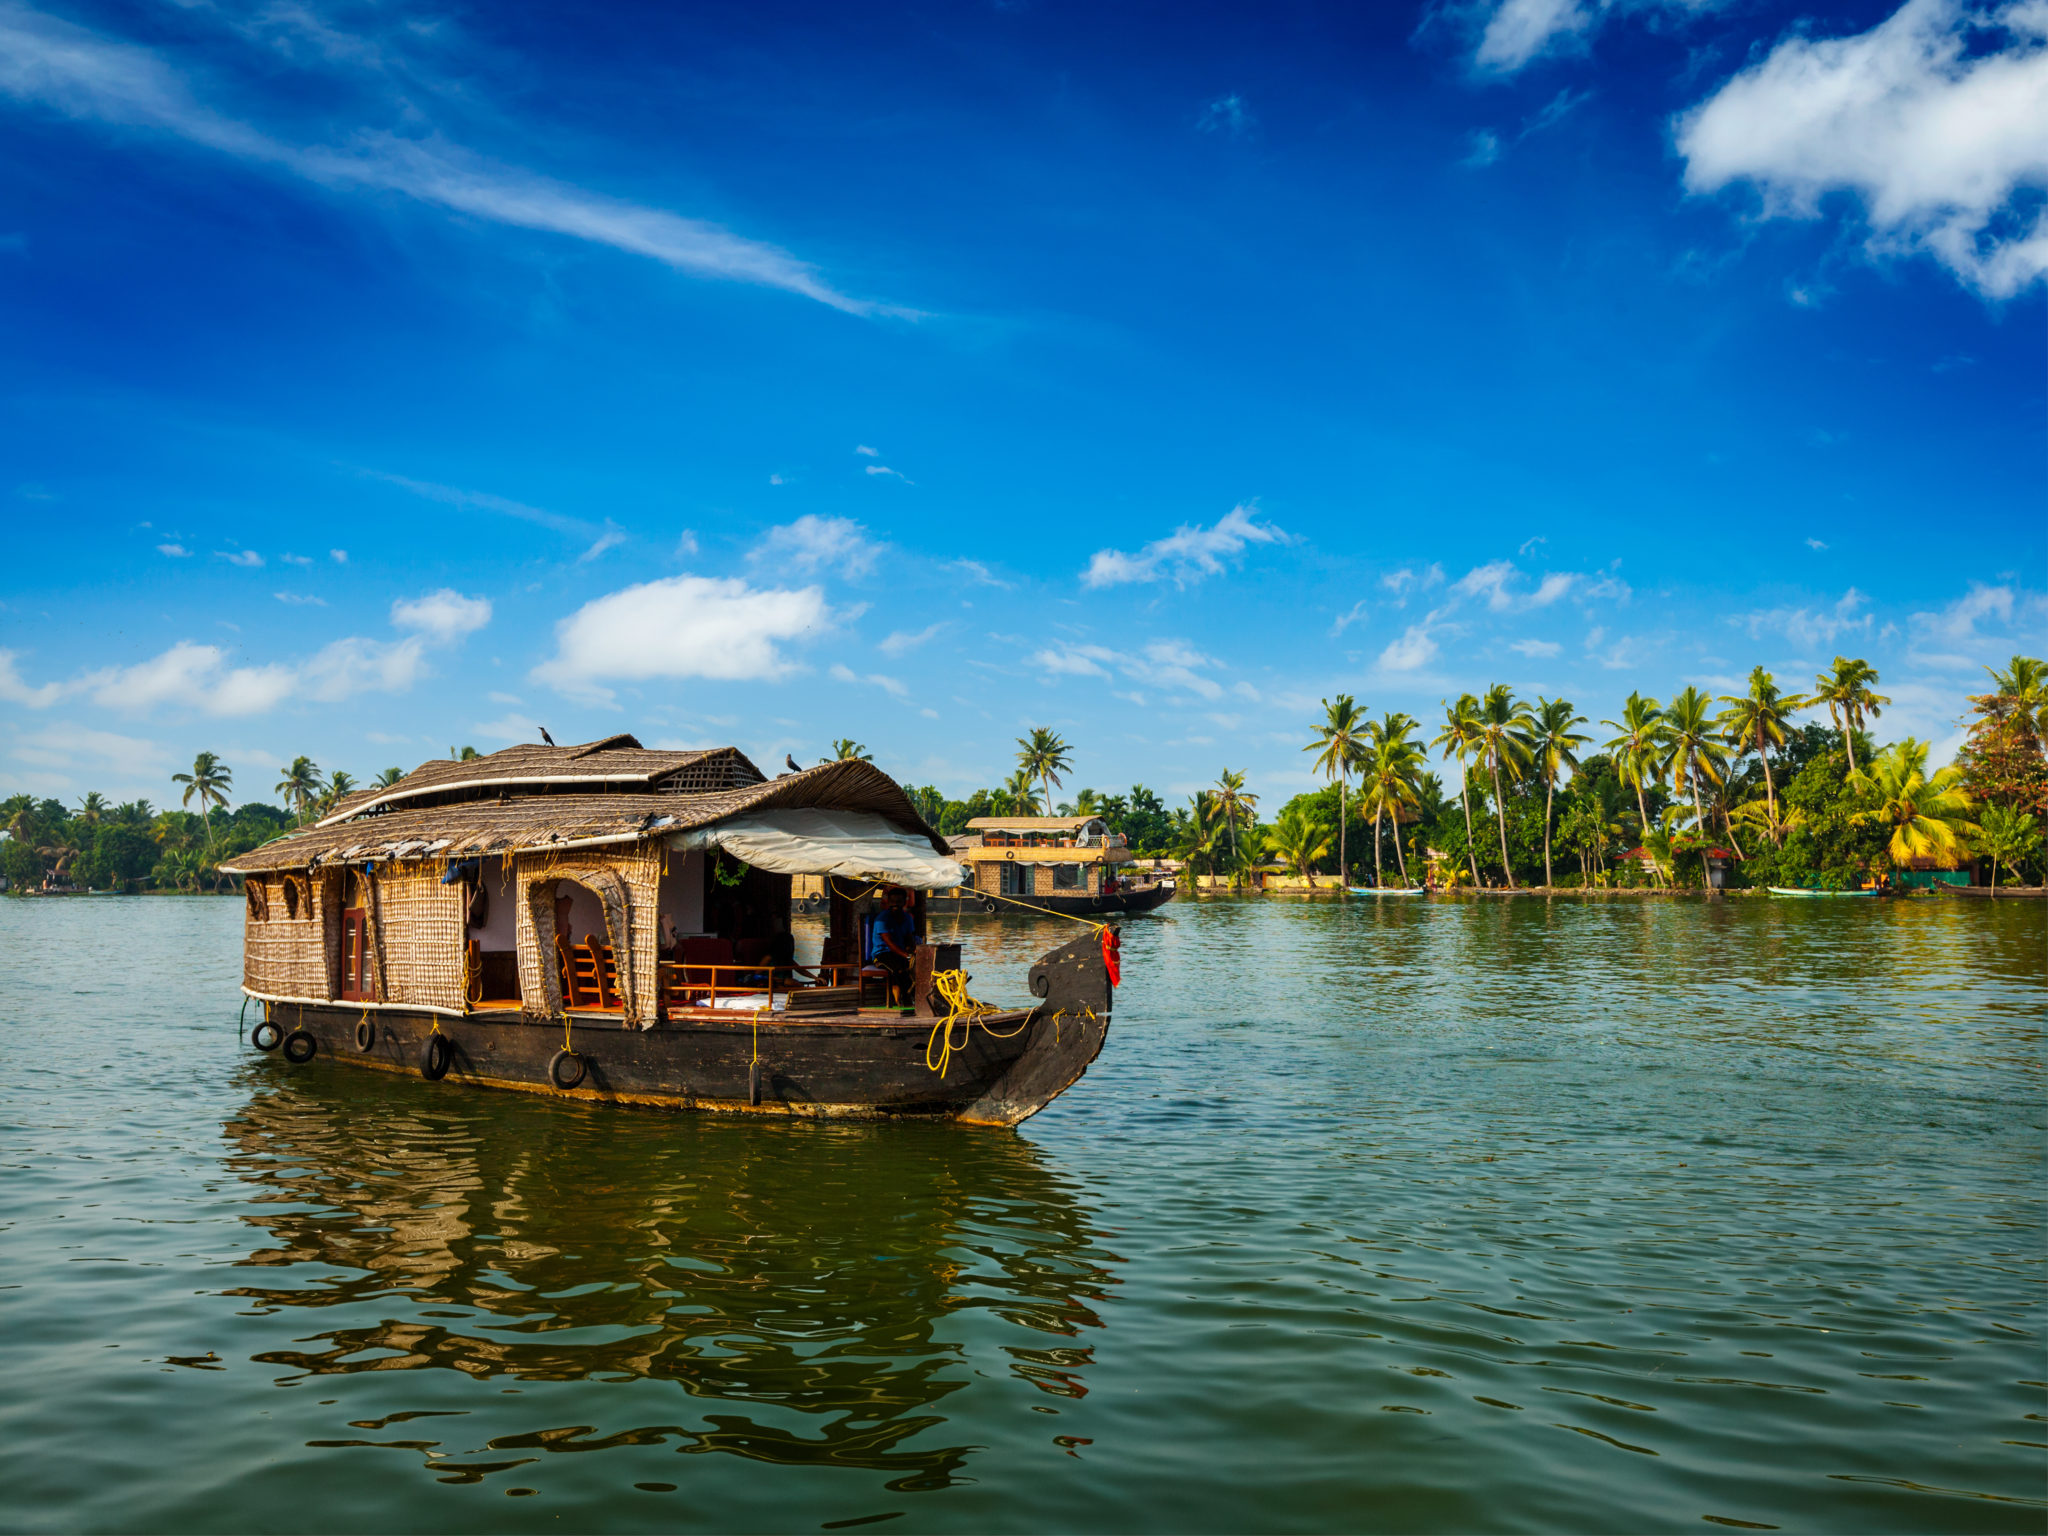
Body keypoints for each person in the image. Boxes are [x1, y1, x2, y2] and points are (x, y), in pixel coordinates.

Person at [867, 886, 917, 1005]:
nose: (895, 905)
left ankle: (916, 998)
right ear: (888, 902)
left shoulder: (907, 918)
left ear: (904, 902)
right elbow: (890, 944)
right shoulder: (882, 919)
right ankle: (903, 1001)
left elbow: (909, 939)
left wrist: (915, 952)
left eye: (899, 902)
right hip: (882, 955)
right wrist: (907, 956)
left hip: (899, 954)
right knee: (899, 970)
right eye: (893, 902)